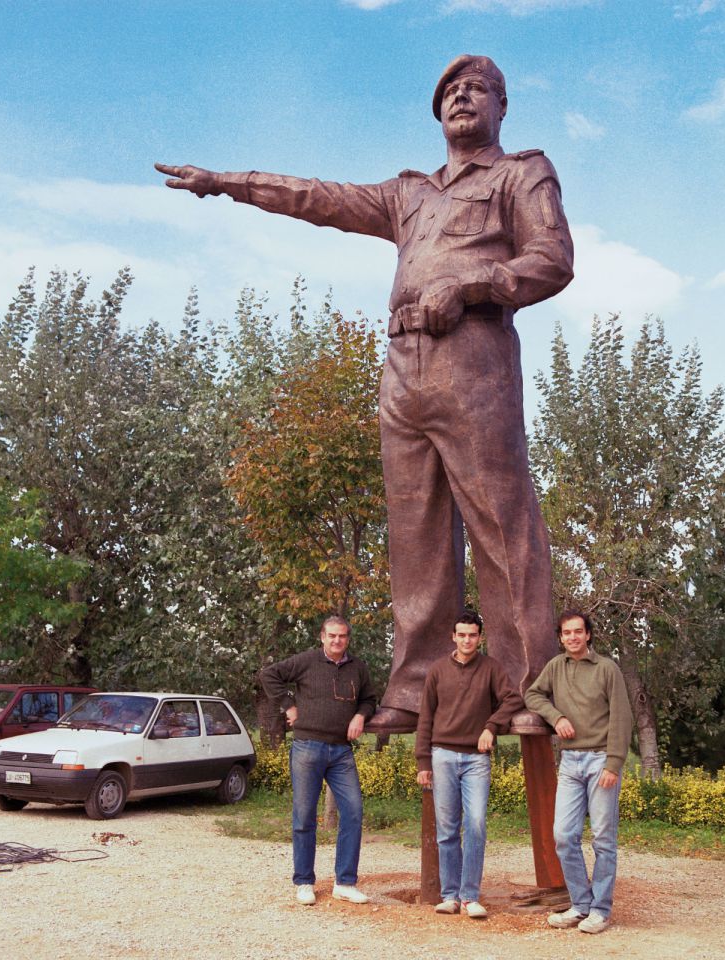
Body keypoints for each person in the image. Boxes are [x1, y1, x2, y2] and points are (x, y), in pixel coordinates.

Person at [155, 54, 573, 728]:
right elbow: (317, 197)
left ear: (501, 106)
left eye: (478, 90)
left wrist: (471, 285)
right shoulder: (409, 194)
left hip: (475, 356)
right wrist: (226, 183)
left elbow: (552, 260)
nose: (463, 98)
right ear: (438, 112)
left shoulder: (520, 174)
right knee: (416, 538)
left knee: (503, 525)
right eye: (451, 92)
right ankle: (413, 690)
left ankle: (527, 689)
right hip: (403, 367)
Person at [524, 611, 633, 935]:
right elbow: (532, 694)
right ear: (561, 637)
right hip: (570, 762)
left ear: (588, 635)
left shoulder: (607, 669)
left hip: (601, 761)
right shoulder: (556, 667)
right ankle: (580, 905)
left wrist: (614, 763)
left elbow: (622, 717)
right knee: (564, 836)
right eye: (566, 633)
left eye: (578, 632)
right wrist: (556, 718)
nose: (572, 637)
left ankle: (600, 910)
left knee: (603, 838)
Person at [259, 616, 377, 905]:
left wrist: (361, 715)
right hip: (307, 748)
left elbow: (369, 699)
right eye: (332, 636)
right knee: (304, 817)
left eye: (343, 636)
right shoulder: (307, 661)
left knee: (353, 812)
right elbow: (268, 675)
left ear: (348, 638)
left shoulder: (358, 667)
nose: (337, 641)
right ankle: (304, 882)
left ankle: (345, 883)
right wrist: (288, 706)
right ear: (322, 636)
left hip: (341, 752)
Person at [415, 610, 522, 919]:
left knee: (475, 824)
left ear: (480, 637)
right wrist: (424, 760)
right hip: (442, 756)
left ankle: (470, 896)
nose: (466, 640)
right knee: (447, 830)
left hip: (476, 759)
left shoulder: (491, 668)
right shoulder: (436, 671)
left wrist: (491, 726)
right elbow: (426, 718)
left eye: (472, 635)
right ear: (453, 636)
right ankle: (449, 896)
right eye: (461, 634)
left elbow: (513, 699)